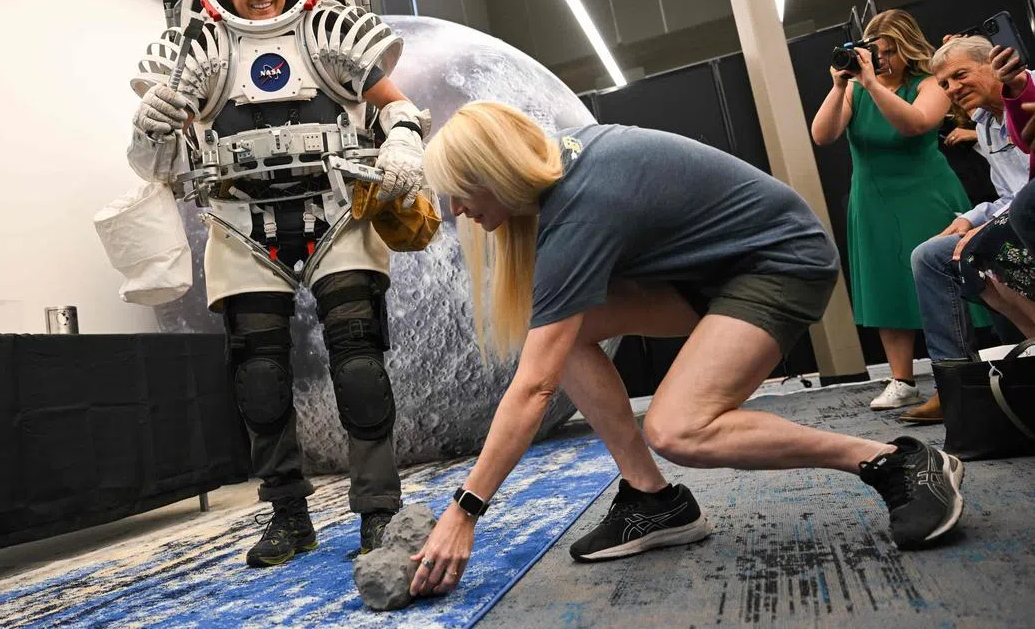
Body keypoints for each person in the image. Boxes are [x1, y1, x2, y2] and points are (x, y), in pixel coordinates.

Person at [407, 102, 965, 597]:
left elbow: (534, 388)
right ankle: (653, 500)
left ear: (495, 173)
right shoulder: (561, 169)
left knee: (679, 428)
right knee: (562, 334)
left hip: (779, 262)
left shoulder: (579, 204)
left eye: (462, 191)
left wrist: (465, 510)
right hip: (712, 271)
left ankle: (898, 463)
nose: (456, 209)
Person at [126, 0, 431, 567]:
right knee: (258, 379)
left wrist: (405, 142)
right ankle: (289, 516)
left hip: (337, 215)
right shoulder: (194, 56)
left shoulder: (331, 38)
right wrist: (148, 129)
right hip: (239, 223)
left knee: (358, 365)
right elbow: (159, 159)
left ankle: (379, 512)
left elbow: (398, 107)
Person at [810, 9, 987, 412]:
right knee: (886, 284)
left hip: (925, 192)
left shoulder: (930, 84)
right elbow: (823, 135)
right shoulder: (856, 90)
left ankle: (957, 373)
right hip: (873, 198)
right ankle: (901, 379)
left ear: (906, 49)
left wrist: (871, 84)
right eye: (875, 51)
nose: (881, 58)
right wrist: (841, 86)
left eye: (889, 51)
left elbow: (914, 124)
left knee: (944, 281)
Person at [906, 36, 1032, 423]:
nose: (952, 89)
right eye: (943, 83)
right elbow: (1009, 192)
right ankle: (956, 386)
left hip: (1028, 216)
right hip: (1019, 213)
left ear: (994, 63)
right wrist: (972, 218)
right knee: (931, 255)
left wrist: (987, 227)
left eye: (960, 75)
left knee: (980, 249)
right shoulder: (985, 124)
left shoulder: (1028, 93)